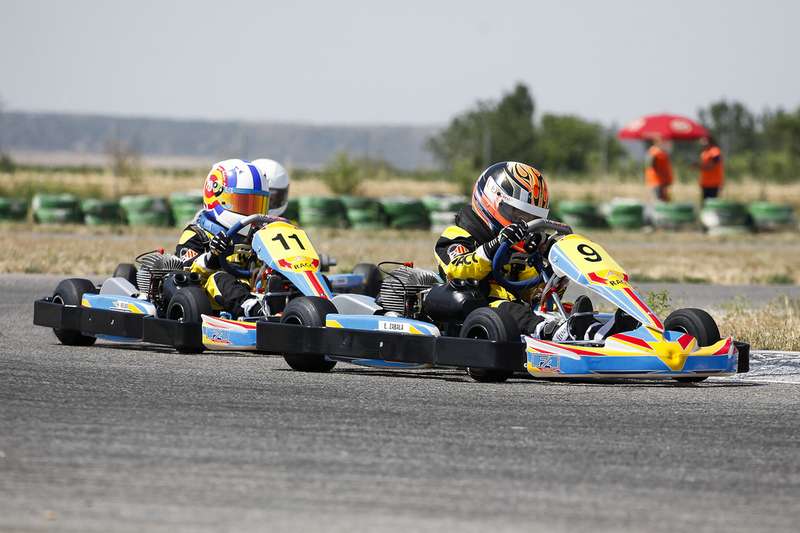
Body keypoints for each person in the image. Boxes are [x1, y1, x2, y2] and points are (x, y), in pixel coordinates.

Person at [434, 161, 597, 340]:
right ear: (493, 201)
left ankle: (593, 330)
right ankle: (550, 331)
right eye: (518, 215)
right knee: (510, 310)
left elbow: (532, 293)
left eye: (531, 217)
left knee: (552, 309)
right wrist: (493, 247)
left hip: (509, 316)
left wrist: (556, 272)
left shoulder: (515, 248)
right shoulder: (456, 236)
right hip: (473, 309)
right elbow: (456, 270)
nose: (524, 223)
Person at [175, 158, 290, 318]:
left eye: (257, 204)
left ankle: (301, 303)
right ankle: (256, 311)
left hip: (254, 288)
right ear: (216, 197)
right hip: (211, 299)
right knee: (219, 278)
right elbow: (184, 274)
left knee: (279, 278)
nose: (252, 212)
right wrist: (213, 255)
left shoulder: (257, 235)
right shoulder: (196, 233)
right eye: (245, 204)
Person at [645, 135, 674, 202]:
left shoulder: (662, 152)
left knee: (665, 200)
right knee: (659, 201)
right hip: (657, 182)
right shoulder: (654, 151)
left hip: (663, 182)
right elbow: (649, 164)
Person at [697, 136, 724, 201]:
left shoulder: (715, 151)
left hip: (713, 183)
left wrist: (699, 166)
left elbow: (714, 164)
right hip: (705, 183)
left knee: (712, 204)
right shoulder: (704, 153)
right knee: (705, 204)